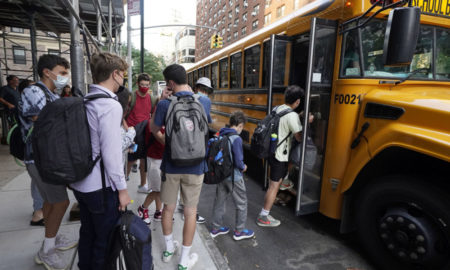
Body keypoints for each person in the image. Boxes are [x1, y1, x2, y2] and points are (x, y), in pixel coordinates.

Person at [70, 52, 131, 269]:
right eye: (122, 74)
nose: (123, 79)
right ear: (115, 74)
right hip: (101, 187)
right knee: (104, 242)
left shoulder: (85, 100)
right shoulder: (110, 106)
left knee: (87, 233)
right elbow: (111, 154)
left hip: (81, 183)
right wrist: (122, 190)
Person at [19, 54, 77, 269]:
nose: (65, 77)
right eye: (62, 73)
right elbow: (42, 120)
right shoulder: (34, 91)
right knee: (61, 202)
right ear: (47, 72)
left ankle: (51, 237)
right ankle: (47, 250)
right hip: (40, 158)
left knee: (50, 202)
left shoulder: (51, 94)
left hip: (49, 158)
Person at [151, 64, 211, 270]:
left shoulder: (164, 104)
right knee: (190, 211)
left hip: (171, 165)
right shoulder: (204, 101)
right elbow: (206, 130)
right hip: (196, 166)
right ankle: (184, 259)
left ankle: (169, 249)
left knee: (167, 208)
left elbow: (153, 129)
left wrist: (170, 145)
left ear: (170, 83)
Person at [256, 85, 305, 227]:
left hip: (271, 151)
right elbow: (299, 137)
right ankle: (263, 216)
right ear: (297, 102)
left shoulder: (277, 109)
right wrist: (306, 122)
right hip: (280, 155)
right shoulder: (292, 116)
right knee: (273, 187)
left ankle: (283, 180)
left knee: (275, 182)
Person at [210, 111, 255, 241]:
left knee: (219, 201)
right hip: (234, 177)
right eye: (242, 127)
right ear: (240, 125)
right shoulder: (236, 138)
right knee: (241, 203)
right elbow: (238, 161)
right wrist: (244, 167)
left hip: (221, 175)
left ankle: (216, 228)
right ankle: (239, 231)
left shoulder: (221, 133)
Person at [137, 87, 172, 225]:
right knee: (158, 189)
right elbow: (162, 140)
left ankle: (158, 211)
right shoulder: (153, 124)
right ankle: (143, 208)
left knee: (159, 187)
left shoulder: (166, 121)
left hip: (163, 159)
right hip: (155, 159)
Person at [126, 73, 154, 193]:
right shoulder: (131, 97)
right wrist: (127, 131)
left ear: (150, 85)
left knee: (144, 160)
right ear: (137, 84)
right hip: (132, 134)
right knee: (130, 159)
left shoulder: (151, 98)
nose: (144, 87)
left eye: (146, 85)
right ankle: (123, 183)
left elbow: (153, 115)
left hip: (144, 134)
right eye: (142, 84)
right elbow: (122, 115)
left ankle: (143, 185)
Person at [116, 88, 136, 174]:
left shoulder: (120, 118)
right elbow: (119, 146)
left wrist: (129, 143)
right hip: (116, 171)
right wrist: (131, 133)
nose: (128, 107)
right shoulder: (114, 119)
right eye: (127, 104)